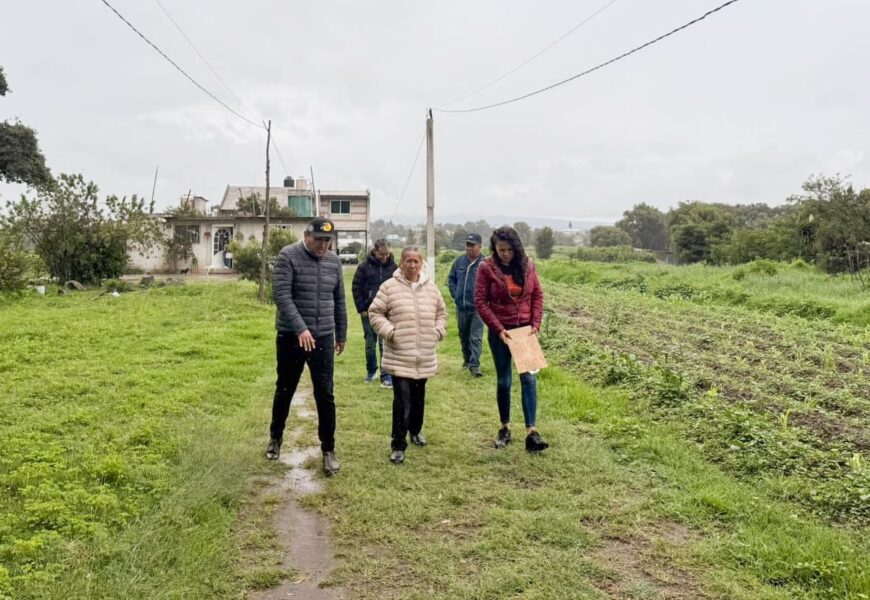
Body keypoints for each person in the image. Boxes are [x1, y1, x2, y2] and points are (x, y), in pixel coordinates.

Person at [266, 217, 347, 476]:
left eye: (328, 241)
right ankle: (276, 438)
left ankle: (328, 450)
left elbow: (339, 299)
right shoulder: (287, 256)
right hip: (292, 336)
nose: (323, 245)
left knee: (325, 393)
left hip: (322, 336)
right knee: (285, 389)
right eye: (319, 240)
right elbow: (281, 295)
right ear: (307, 235)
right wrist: (300, 328)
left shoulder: (334, 262)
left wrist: (341, 333)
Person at [367, 246, 447, 464]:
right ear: (401, 263)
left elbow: (442, 312)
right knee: (402, 400)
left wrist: (437, 331)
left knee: (419, 397)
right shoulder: (389, 287)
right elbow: (375, 312)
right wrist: (390, 332)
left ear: (421, 264)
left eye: (416, 261)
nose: (412, 265)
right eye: (408, 261)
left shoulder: (431, 288)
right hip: (400, 355)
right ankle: (398, 444)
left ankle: (415, 431)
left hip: (424, 355)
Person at [474, 226, 549, 453]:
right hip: (501, 333)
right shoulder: (486, 267)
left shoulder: (527, 265)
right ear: (495, 249)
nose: (505, 254)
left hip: (524, 331)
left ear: (516, 248)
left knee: (528, 380)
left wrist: (535, 324)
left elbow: (537, 295)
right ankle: (505, 427)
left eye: (508, 250)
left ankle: (532, 433)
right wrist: (498, 329)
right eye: (500, 250)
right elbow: (480, 301)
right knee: (504, 380)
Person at [351, 239, 398, 388]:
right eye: (381, 254)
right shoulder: (364, 267)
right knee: (370, 344)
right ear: (374, 251)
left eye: (386, 254)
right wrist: (362, 308)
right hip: (369, 311)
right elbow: (356, 288)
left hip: (388, 312)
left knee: (385, 344)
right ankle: (371, 371)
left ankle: (387, 375)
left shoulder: (394, 268)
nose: (384, 257)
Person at [448, 232, 485, 377]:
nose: (469, 248)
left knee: (475, 337)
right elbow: (451, 279)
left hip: (478, 308)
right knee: (463, 335)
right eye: (467, 245)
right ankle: (467, 360)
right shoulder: (459, 262)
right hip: (461, 307)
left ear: (480, 246)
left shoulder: (485, 263)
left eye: (473, 245)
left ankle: (475, 365)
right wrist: (455, 294)